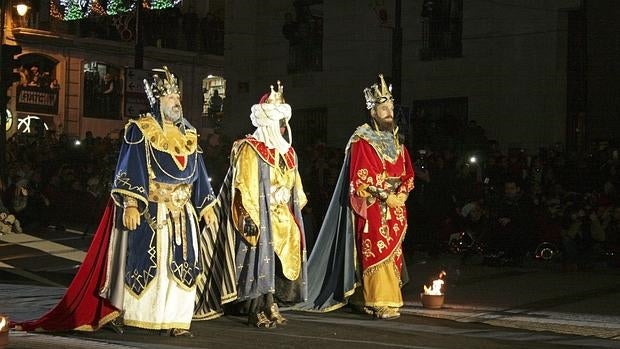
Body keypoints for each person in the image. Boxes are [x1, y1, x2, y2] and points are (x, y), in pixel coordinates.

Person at [14, 66, 218, 337]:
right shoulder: (140, 130)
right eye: (169, 98)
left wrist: (206, 205)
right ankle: (139, 315)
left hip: (183, 214)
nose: (176, 102)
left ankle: (175, 318)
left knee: (181, 265)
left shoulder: (189, 135)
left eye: (177, 97)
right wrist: (131, 204)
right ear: (158, 101)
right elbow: (131, 167)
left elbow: (200, 173)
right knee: (148, 263)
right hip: (152, 209)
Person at [296, 74, 414, 319]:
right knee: (376, 252)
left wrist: (401, 194)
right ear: (373, 112)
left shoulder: (397, 141)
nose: (389, 112)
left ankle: (374, 298)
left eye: (391, 107)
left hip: (396, 207)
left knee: (393, 254)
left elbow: (408, 173)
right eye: (384, 108)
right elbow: (360, 180)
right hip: (374, 206)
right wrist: (385, 196)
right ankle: (379, 301)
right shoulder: (362, 140)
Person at [196, 81, 308, 328]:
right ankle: (255, 307)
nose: (281, 128)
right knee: (259, 259)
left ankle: (271, 302)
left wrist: (286, 197)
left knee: (280, 260)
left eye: (282, 122)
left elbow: (294, 186)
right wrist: (249, 217)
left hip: (281, 215)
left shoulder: (288, 152)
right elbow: (244, 186)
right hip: (257, 214)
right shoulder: (250, 149)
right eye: (277, 122)